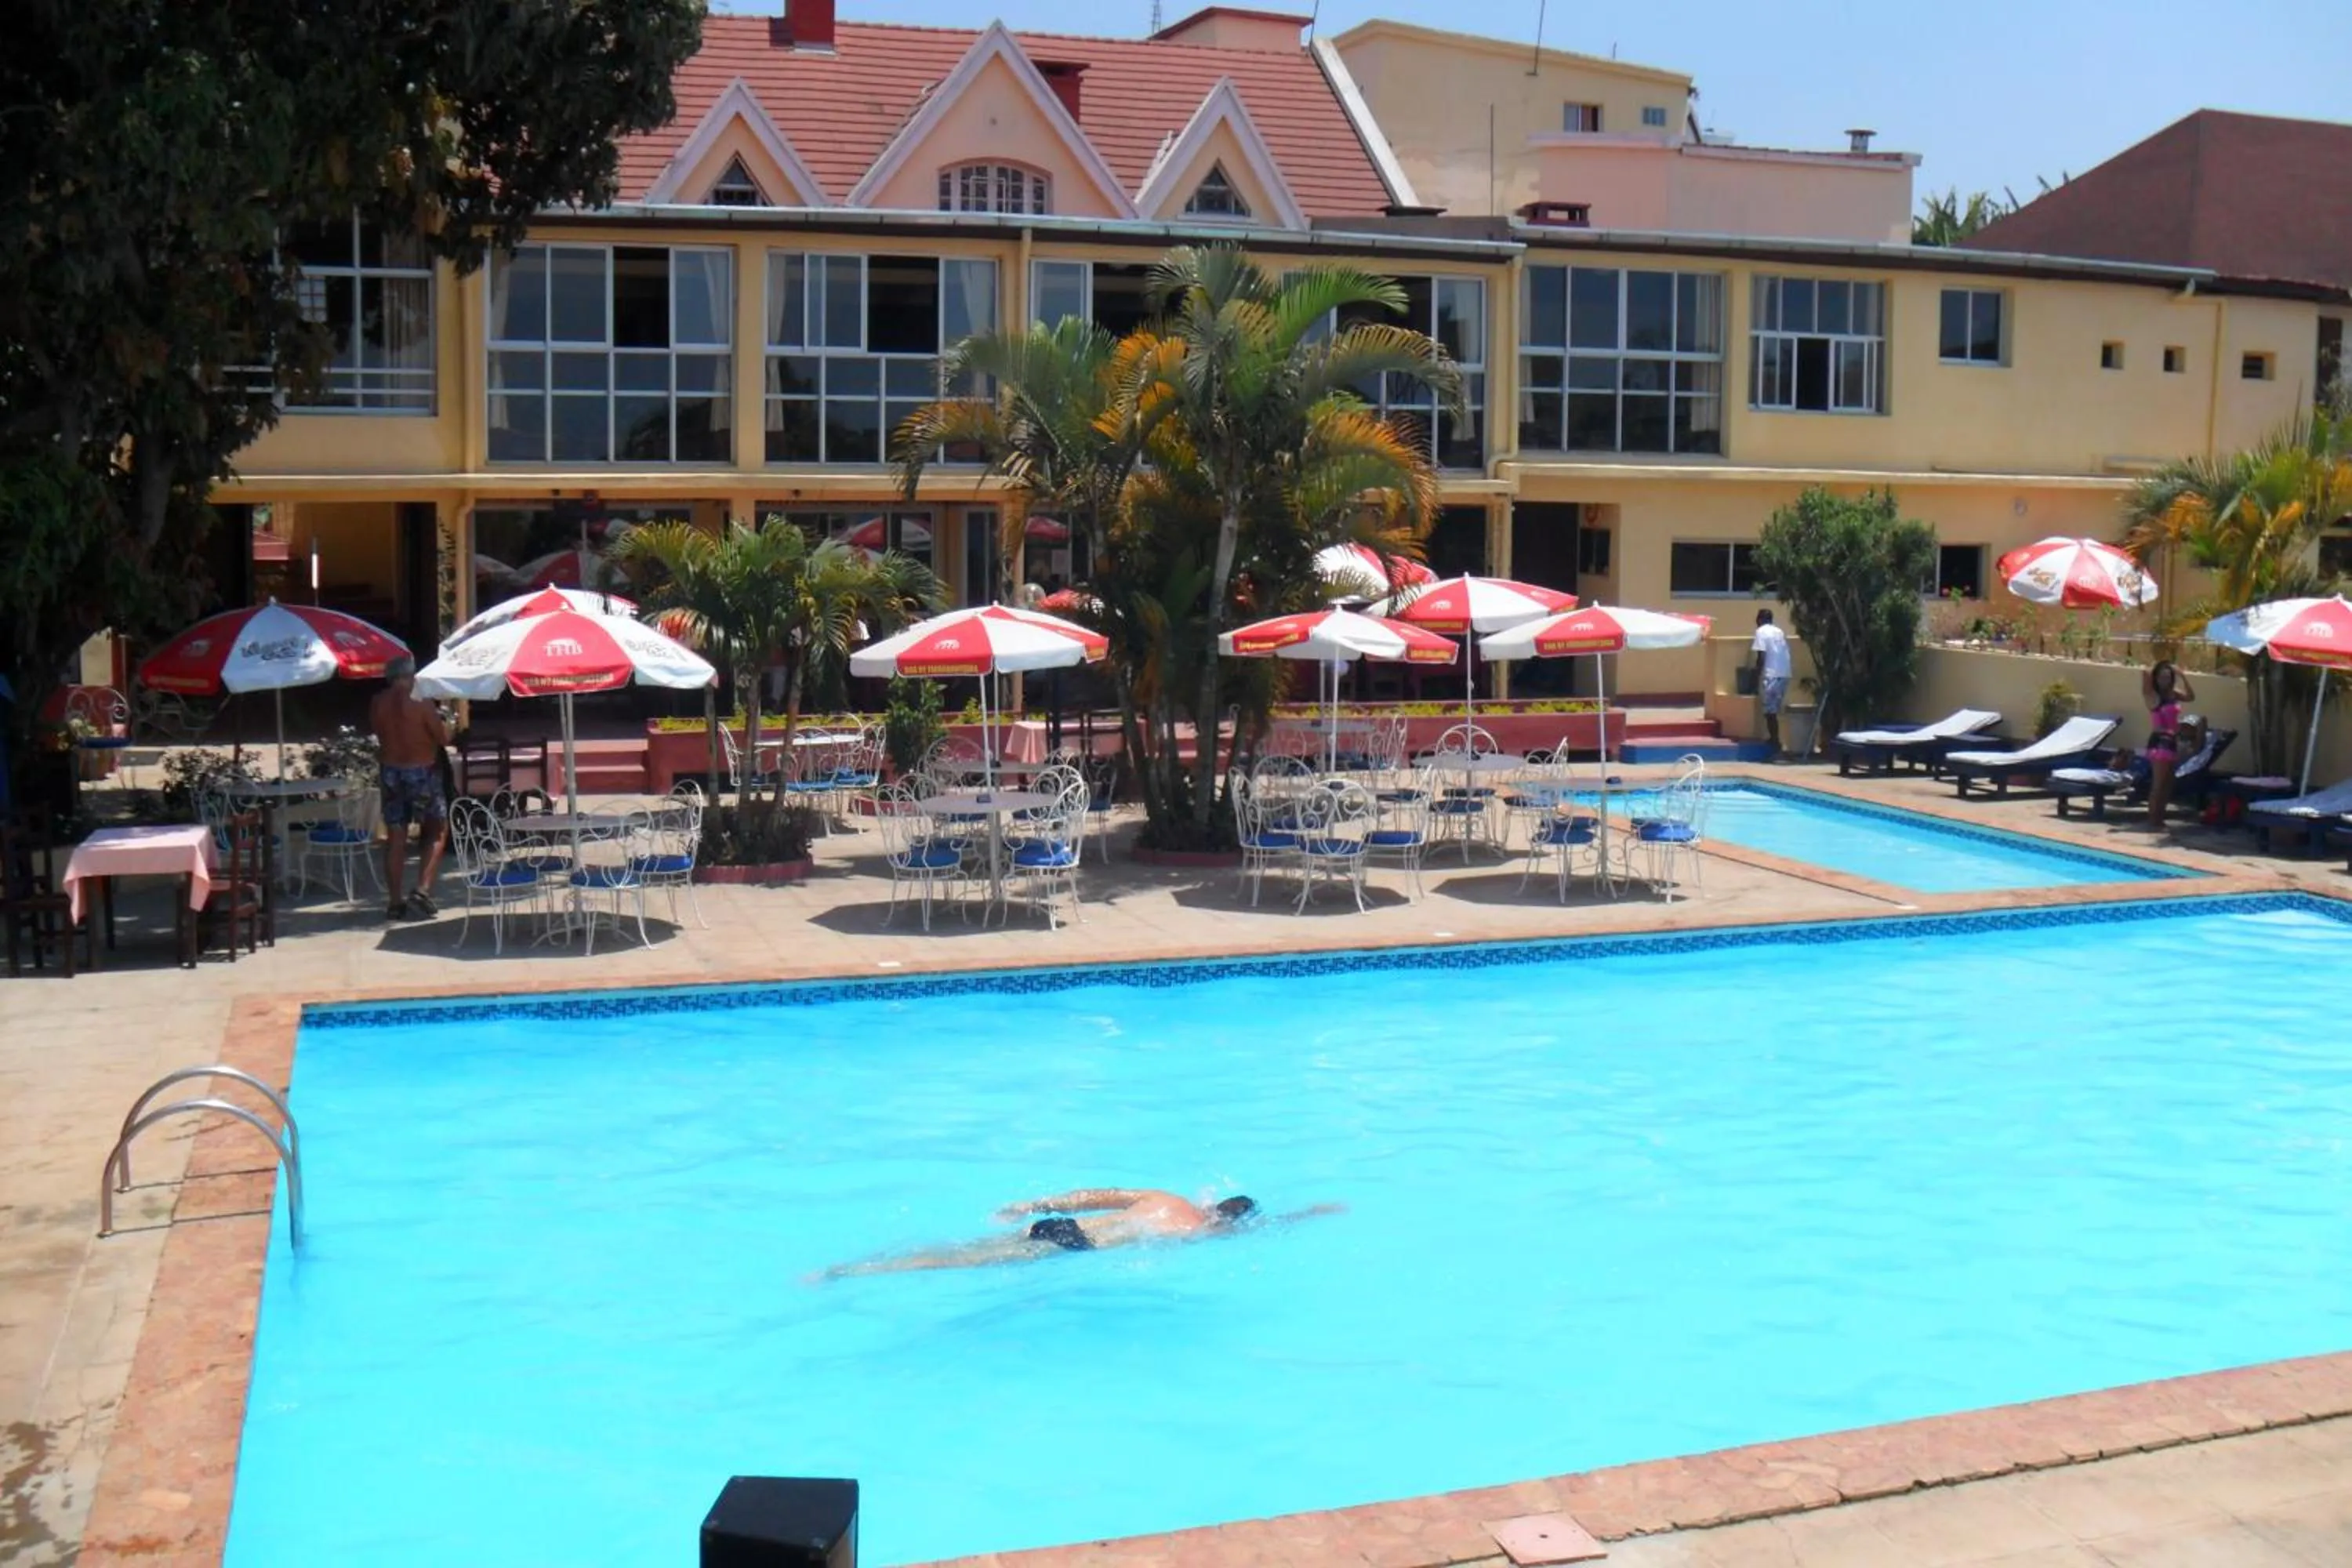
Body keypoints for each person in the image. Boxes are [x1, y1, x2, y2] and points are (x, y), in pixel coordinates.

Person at [818, 1188, 1342, 1279]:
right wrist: (1313, 1214)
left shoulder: (1167, 1199)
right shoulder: (1207, 1233)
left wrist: (1032, 1203)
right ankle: (847, 1272)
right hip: (1075, 1245)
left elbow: (1097, 1193)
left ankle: (855, 1265)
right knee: (959, 1261)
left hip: (1063, 1225)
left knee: (959, 1251)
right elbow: (1271, 1228)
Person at [368, 654, 450, 920]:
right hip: (422, 769)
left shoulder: (378, 702)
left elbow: (380, 735)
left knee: (396, 837)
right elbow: (442, 737)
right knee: (437, 829)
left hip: (392, 770)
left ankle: (394, 902)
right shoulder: (420, 701)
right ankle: (422, 889)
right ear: (411, 675)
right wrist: (449, 723)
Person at [2141, 659, 2197, 829]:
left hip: (2173, 740)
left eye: (2168, 677)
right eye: (2161, 677)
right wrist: (2159, 666)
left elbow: (2191, 697)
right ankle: (2153, 820)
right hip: (2160, 742)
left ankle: (2160, 819)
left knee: (2168, 784)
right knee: (2158, 784)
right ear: (2156, 678)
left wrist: (2182, 675)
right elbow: (2144, 672)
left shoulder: (2173, 694)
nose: (2164, 680)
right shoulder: (2152, 695)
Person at [1751, 609, 1792, 758]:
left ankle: (1775, 743)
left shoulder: (1761, 631)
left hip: (1772, 674)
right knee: (1774, 710)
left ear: (1760, 619)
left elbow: (1761, 656)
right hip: (1785, 674)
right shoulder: (1779, 631)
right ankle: (1775, 741)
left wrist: (1755, 676)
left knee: (1770, 711)